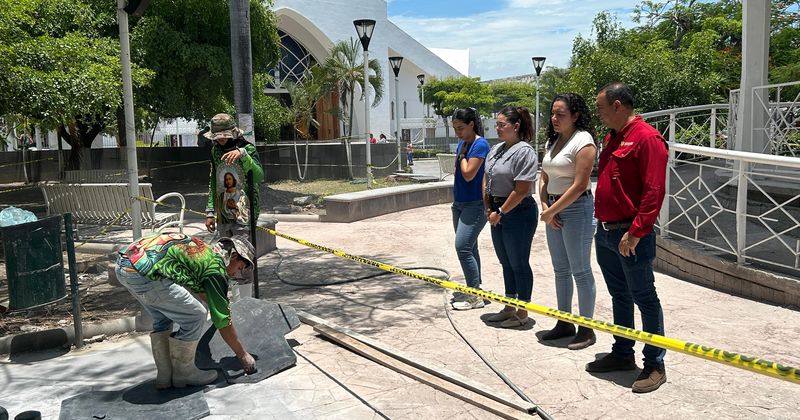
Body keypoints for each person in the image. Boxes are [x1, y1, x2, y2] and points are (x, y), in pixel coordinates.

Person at [585, 82, 669, 393]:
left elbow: (654, 191)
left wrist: (635, 233)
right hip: (605, 231)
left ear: (618, 105)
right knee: (619, 296)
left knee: (644, 297)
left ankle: (654, 363)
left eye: (601, 108)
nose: (599, 114)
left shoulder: (647, 138)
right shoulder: (613, 137)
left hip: (629, 234)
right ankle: (622, 353)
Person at [115, 233, 257, 389]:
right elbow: (222, 320)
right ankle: (184, 374)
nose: (236, 274)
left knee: (163, 317)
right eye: (239, 268)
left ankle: (165, 376)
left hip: (126, 264)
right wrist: (243, 355)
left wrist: (218, 303)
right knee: (196, 316)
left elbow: (202, 291)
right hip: (145, 273)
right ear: (234, 256)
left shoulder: (205, 251)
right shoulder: (216, 270)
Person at [539, 93, 598, 350]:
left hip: (576, 210)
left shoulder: (583, 141)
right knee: (560, 270)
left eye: (560, 114)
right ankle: (564, 321)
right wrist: (545, 205)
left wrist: (552, 211)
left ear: (575, 115)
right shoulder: (553, 141)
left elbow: (580, 184)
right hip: (553, 209)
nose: (554, 118)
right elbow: (543, 176)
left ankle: (586, 328)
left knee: (580, 270)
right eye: (553, 113)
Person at [483, 106, 539, 328]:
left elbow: (522, 188)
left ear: (515, 126)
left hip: (518, 211)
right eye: (496, 124)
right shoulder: (496, 149)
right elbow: (486, 179)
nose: (497, 128)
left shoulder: (525, 151)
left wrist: (501, 211)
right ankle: (509, 305)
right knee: (505, 261)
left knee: (519, 262)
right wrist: (489, 208)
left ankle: (522, 311)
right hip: (496, 210)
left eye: (501, 124)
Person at [204, 113, 263, 300]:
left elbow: (259, 176)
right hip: (223, 215)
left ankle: (244, 301)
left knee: (242, 258)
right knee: (224, 257)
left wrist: (243, 156)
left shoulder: (247, 149)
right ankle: (228, 300)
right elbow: (214, 180)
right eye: (217, 137)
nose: (221, 140)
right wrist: (210, 210)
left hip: (243, 215)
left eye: (224, 136)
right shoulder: (215, 151)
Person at [449, 108, 491, 310]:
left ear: (472, 125)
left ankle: (474, 295)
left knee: (462, 246)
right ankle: (475, 288)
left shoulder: (479, 144)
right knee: (470, 247)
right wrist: (462, 151)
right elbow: (456, 171)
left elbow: (467, 174)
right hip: (459, 203)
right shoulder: (462, 144)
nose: (458, 132)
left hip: (475, 204)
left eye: (461, 128)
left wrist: (464, 154)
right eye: (455, 128)